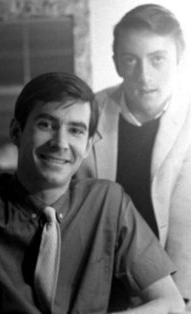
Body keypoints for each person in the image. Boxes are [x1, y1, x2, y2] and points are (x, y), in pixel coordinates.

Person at [0, 72, 185, 314]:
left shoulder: (108, 204)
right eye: (46, 125)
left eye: (75, 130)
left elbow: (171, 306)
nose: (60, 142)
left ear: (88, 146)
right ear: (16, 132)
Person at [77, 3, 191, 305]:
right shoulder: (88, 113)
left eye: (157, 59)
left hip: (180, 287)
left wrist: (179, 302)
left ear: (180, 57)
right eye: (131, 60)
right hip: (101, 285)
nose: (144, 75)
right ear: (115, 62)